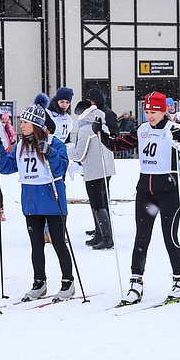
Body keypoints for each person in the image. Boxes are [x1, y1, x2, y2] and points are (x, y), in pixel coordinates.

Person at [111, 92, 180, 306]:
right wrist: (103, 136)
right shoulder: (142, 130)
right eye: (147, 112)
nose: (150, 116)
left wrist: (179, 140)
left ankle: (179, 281)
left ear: (163, 110)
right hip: (145, 191)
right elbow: (120, 144)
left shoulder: (173, 128)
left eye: (154, 111)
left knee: (169, 238)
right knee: (141, 237)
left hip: (168, 191)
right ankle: (135, 283)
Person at [0, 98, 74, 301]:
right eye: (21, 122)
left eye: (25, 122)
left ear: (37, 125)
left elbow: (60, 168)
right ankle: (39, 282)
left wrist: (51, 153)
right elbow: (7, 168)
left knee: (58, 242)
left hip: (52, 199)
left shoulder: (53, 142)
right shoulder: (21, 144)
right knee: (36, 244)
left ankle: (68, 281)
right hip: (31, 201)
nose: (21, 125)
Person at [71, 89, 115, 249]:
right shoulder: (102, 126)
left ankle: (106, 237)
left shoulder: (84, 130)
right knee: (102, 201)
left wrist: (64, 150)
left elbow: (78, 154)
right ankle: (99, 234)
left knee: (97, 204)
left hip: (93, 171)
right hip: (106, 169)